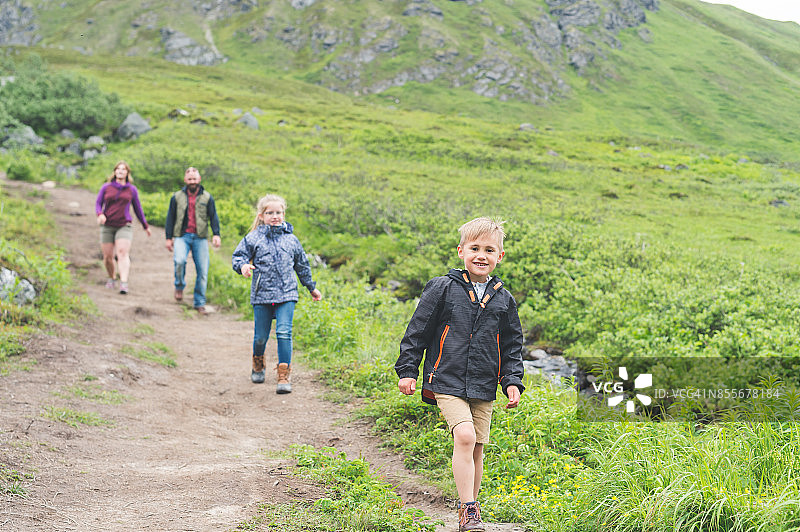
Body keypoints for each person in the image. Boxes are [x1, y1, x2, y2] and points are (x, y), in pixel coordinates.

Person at [395, 217, 525, 532]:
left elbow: (512, 346)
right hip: (446, 377)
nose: (481, 255)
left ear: (500, 256)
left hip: (483, 383)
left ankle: (471, 511)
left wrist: (511, 381)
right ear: (461, 251)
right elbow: (418, 331)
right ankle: (468, 507)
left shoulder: (504, 299)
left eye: (489, 250)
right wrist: (408, 370)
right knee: (465, 435)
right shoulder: (443, 287)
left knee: (477, 445)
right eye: (474, 248)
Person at [232, 194, 322, 393]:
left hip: (286, 294)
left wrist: (311, 287)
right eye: (270, 213)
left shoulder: (291, 240)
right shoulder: (253, 238)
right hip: (262, 295)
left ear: (284, 214)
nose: (275, 216)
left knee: (284, 333)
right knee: (260, 337)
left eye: (278, 212)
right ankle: (258, 363)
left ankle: (283, 375)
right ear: (261, 215)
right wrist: (243, 266)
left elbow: (302, 266)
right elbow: (238, 257)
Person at [165, 167, 222, 314]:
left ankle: (199, 302)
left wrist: (216, 234)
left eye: (194, 179)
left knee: (202, 271)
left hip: (200, 237)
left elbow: (213, 217)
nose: (192, 182)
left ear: (199, 179)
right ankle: (179, 285)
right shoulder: (176, 197)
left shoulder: (207, 197)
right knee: (179, 261)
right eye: (190, 179)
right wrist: (168, 238)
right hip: (181, 236)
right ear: (185, 180)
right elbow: (170, 218)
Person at [95, 161, 152, 294]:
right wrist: (100, 214)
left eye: (123, 169)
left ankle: (124, 282)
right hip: (107, 225)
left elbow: (138, 209)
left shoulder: (132, 190)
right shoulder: (106, 187)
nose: (120, 171)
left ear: (127, 173)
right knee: (107, 257)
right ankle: (111, 277)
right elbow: (98, 203)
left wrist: (145, 225)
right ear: (115, 172)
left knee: (122, 253)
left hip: (124, 225)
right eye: (118, 169)